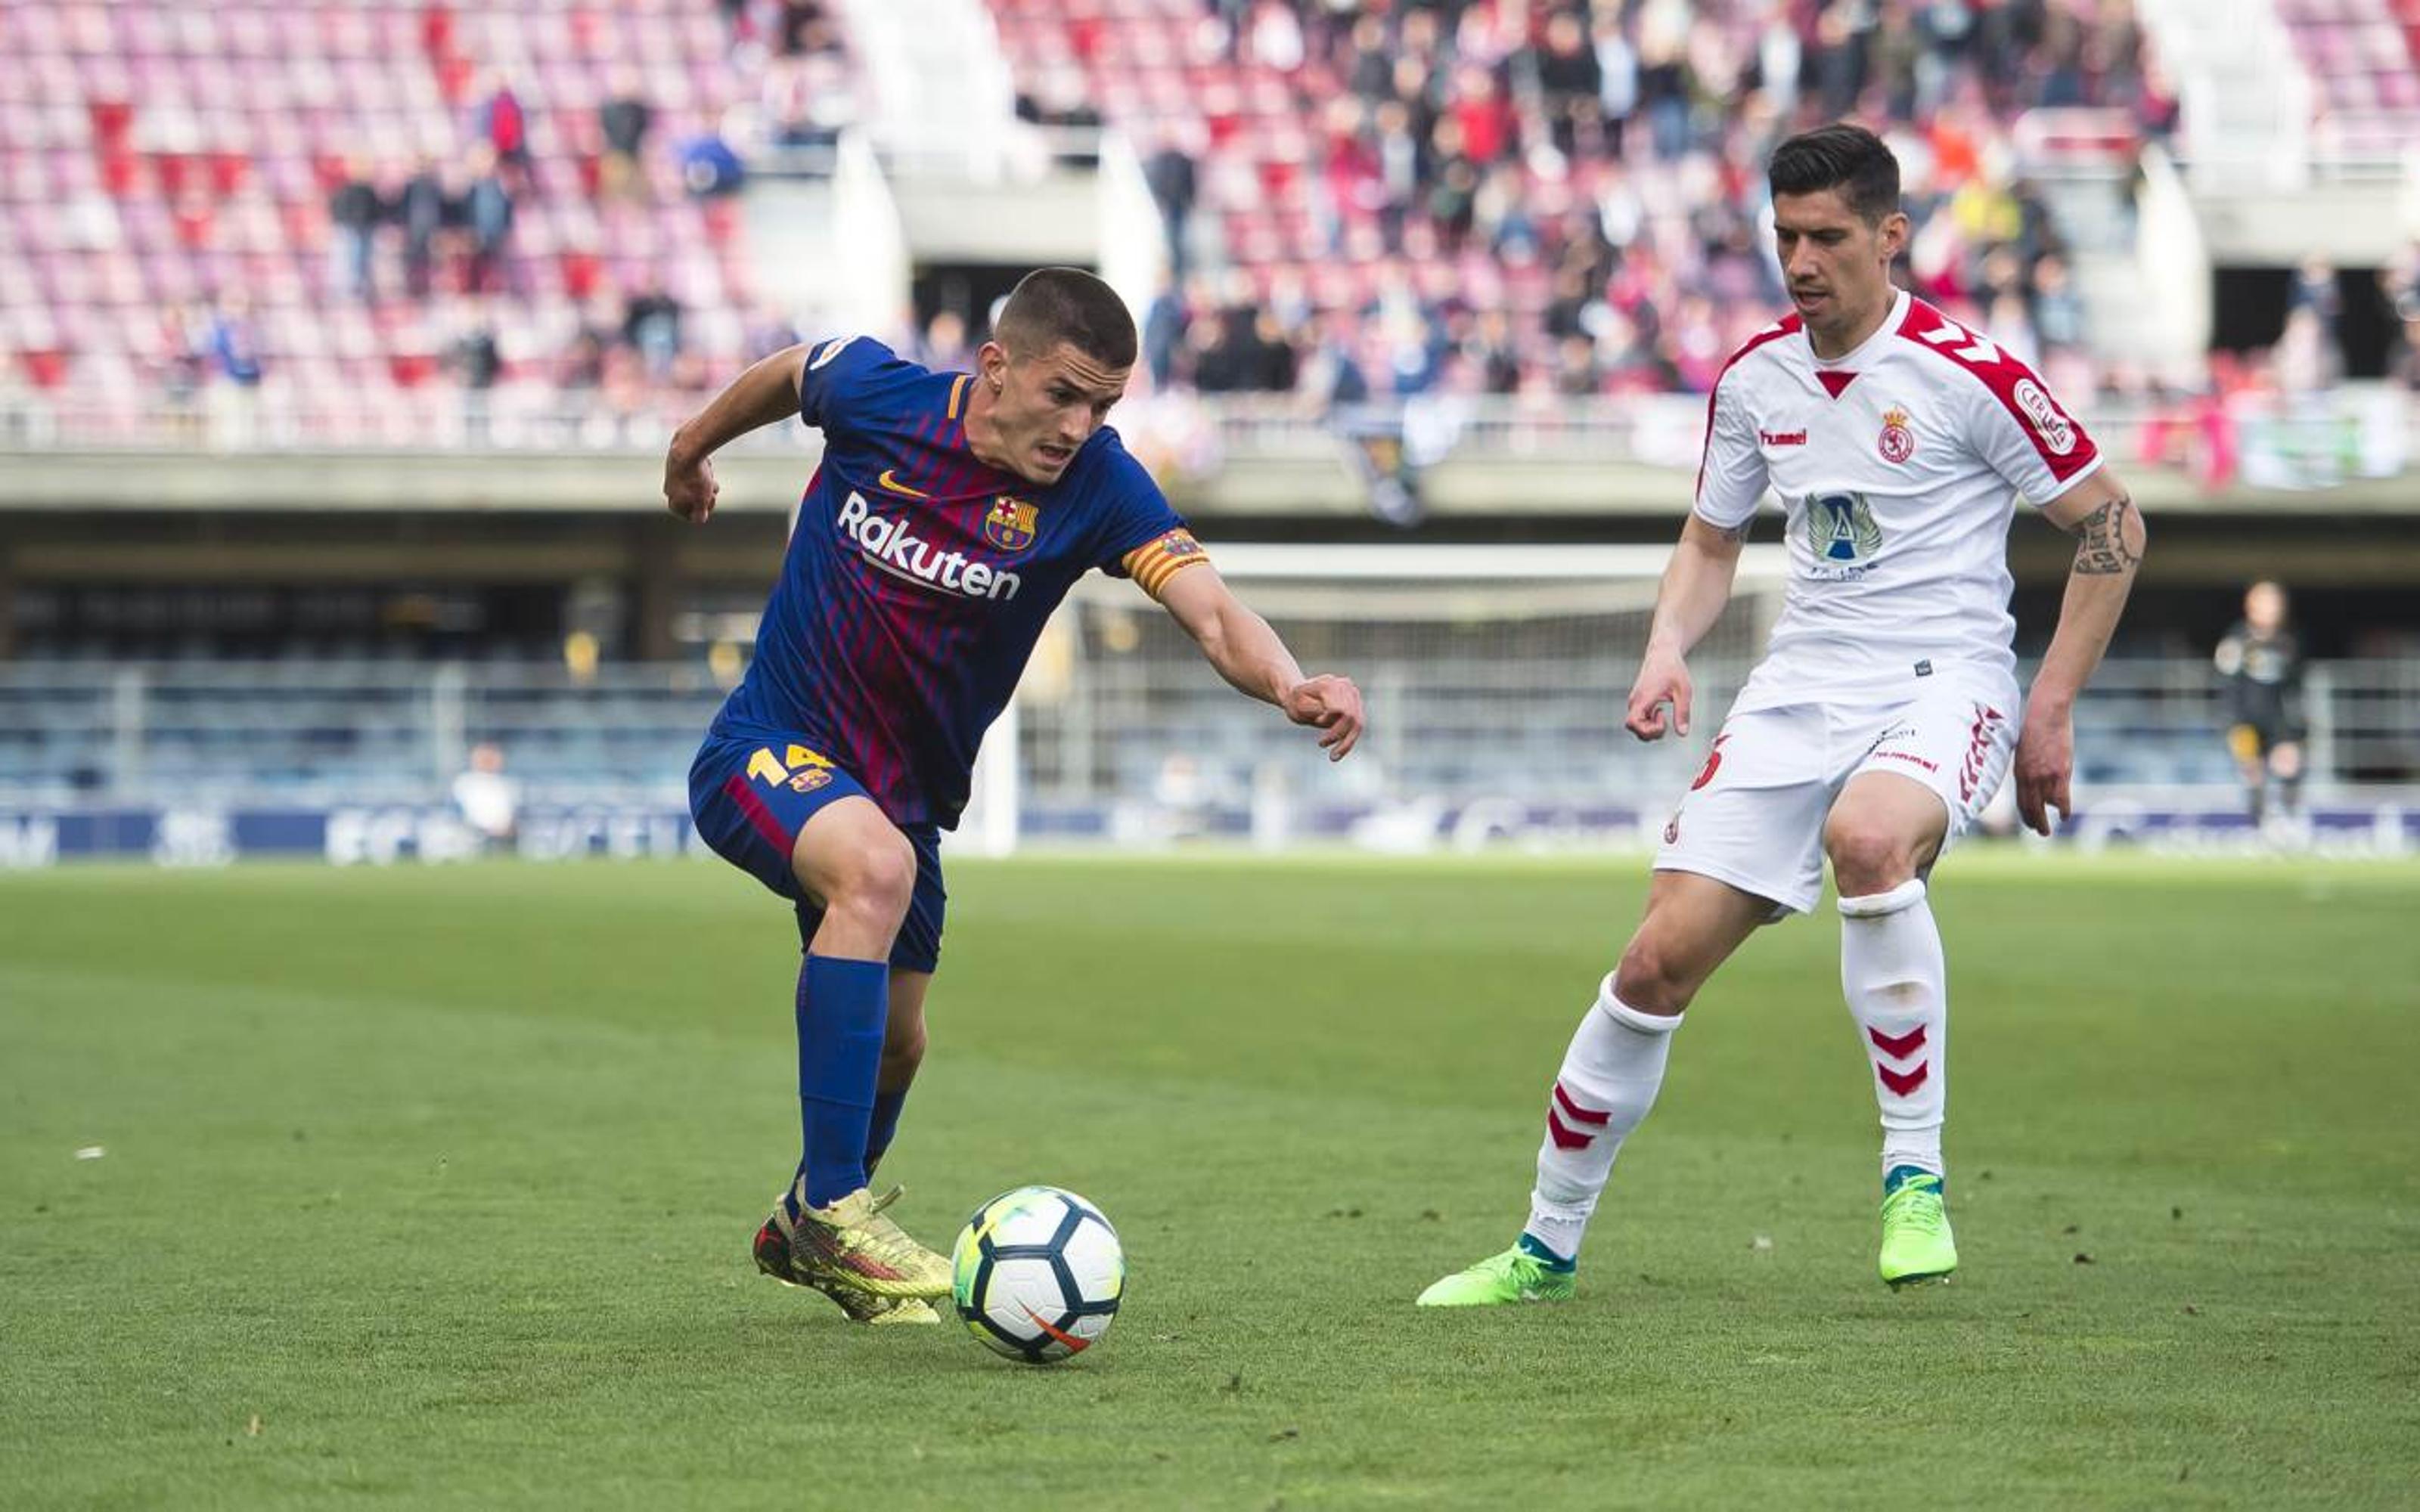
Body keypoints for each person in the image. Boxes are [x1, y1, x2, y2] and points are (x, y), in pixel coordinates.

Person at [1419, 123, 2145, 1307]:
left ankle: (1914, 1180)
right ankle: (1542, 1250)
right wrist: (1666, 646)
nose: (1802, 261)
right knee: (1652, 965)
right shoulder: (1755, 377)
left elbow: (2117, 526)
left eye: (1828, 238)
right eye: (1785, 237)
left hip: (1940, 678)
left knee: (1868, 840)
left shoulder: (1971, 374)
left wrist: (2047, 709)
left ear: (1890, 237)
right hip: (1801, 685)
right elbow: (1711, 542)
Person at [663, 268, 1365, 1324]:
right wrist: (689, 449)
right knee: (874, 871)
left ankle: (808, 1217)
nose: (1081, 426)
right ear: (997, 367)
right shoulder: (879, 394)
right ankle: (836, 1211)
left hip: (904, 797)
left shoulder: (1098, 488)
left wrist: (1291, 682)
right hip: (765, 747)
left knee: (901, 1042)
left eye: (1106, 407)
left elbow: (1214, 613)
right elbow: (791, 373)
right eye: (1065, 395)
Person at [2214, 581, 2307, 830]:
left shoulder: (2290, 641)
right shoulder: (2236, 640)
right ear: (2251, 606)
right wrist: (2232, 724)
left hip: (2279, 719)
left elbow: (2296, 685)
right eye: (2265, 602)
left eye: (2275, 603)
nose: (2271, 609)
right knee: (2253, 773)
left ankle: (2290, 822)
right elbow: (2228, 684)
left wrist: (2299, 723)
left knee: (2290, 764)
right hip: (2245, 719)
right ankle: (2258, 828)